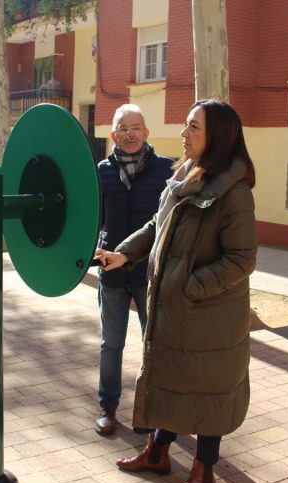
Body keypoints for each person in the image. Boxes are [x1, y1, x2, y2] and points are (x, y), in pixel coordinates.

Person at [95, 99, 257, 483]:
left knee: (207, 391)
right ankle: (157, 453)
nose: (183, 133)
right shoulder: (184, 176)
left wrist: (187, 288)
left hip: (208, 315)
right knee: (169, 378)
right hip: (177, 308)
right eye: (186, 125)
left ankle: (203, 476)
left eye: (193, 127)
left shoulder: (233, 191)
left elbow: (242, 260)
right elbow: (157, 225)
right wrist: (124, 253)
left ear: (217, 137)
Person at [94, 104, 173, 436]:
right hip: (110, 268)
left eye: (136, 127)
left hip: (149, 271)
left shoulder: (166, 169)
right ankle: (108, 407)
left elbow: (169, 221)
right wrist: (92, 247)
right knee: (110, 343)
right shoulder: (101, 171)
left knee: (152, 344)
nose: (130, 134)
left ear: (146, 133)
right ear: (114, 136)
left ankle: (151, 411)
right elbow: (92, 215)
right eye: (123, 129)